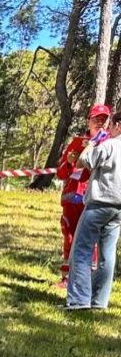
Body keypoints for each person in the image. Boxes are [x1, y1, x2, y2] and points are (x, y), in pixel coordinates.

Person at [64, 112, 121, 311]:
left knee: (81, 250)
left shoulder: (110, 145)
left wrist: (94, 142)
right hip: (119, 209)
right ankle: (99, 301)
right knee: (108, 254)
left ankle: (79, 299)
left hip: (99, 203)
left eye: (111, 124)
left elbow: (82, 161)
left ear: (118, 125)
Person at [55, 104, 110, 287]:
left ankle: (88, 280)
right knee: (70, 236)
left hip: (95, 197)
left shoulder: (111, 144)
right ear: (89, 121)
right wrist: (70, 163)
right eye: (96, 119)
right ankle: (67, 278)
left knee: (92, 240)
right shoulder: (77, 142)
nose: (100, 124)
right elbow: (61, 173)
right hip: (72, 197)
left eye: (104, 120)